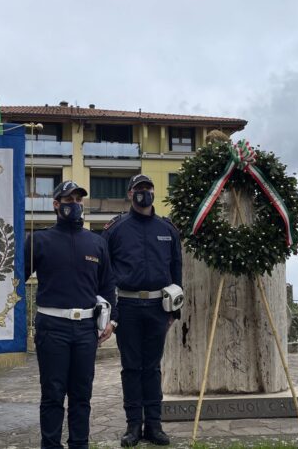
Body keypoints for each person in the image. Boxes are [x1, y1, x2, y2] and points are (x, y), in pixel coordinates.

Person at [24, 180, 118, 449]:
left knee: (81, 395)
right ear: (56, 205)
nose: (75, 205)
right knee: (53, 394)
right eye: (68, 200)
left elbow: (108, 284)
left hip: (86, 330)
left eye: (78, 200)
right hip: (52, 327)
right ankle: (50, 445)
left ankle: (80, 444)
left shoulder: (96, 243)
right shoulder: (39, 240)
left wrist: (111, 321)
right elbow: (16, 279)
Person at [102, 174, 182, 447]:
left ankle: (155, 426)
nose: (143, 193)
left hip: (159, 307)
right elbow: (105, 272)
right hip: (128, 306)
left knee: (152, 368)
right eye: (138, 189)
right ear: (129, 194)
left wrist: (175, 310)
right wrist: (110, 311)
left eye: (148, 188)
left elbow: (176, 271)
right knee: (131, 367)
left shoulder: (167, 228)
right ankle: (133, 425)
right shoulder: (116, 229)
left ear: (153, 192)